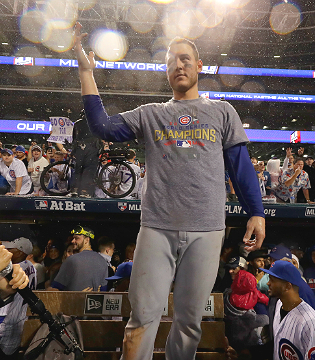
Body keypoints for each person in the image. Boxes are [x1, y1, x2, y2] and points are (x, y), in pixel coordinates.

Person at [73, 22, 265, 360]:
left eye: (186, 59)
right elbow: (102, 126)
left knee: (190, 321)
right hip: (157, 229)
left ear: (199, 66)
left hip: (207, 230)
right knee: (142, 318)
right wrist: (86, 74)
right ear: (165, 70)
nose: (179, 65)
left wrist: (257, 213)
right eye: (172, 60)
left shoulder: (222, 111)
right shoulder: (151, 115)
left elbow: (241, 166)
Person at [262, 261, 315, 360]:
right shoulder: (279, 305)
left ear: (287, 286)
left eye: (272, 280)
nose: (268, 283)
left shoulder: (311, 324)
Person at [0, 237, 37, 356]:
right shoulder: (31, 266)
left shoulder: (13, 270)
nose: (7, 250)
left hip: (3, 322)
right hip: (20, 321)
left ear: (20, 252)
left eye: (11, 249)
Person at [48, 226, 108, 291]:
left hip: (74, 301)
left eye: (76, 238)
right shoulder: (103, 261)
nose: (73, 241)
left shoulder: (72, 260)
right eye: (73, 238)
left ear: (87, 240)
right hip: (95, 301)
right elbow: (103, 290)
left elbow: (54, 289)